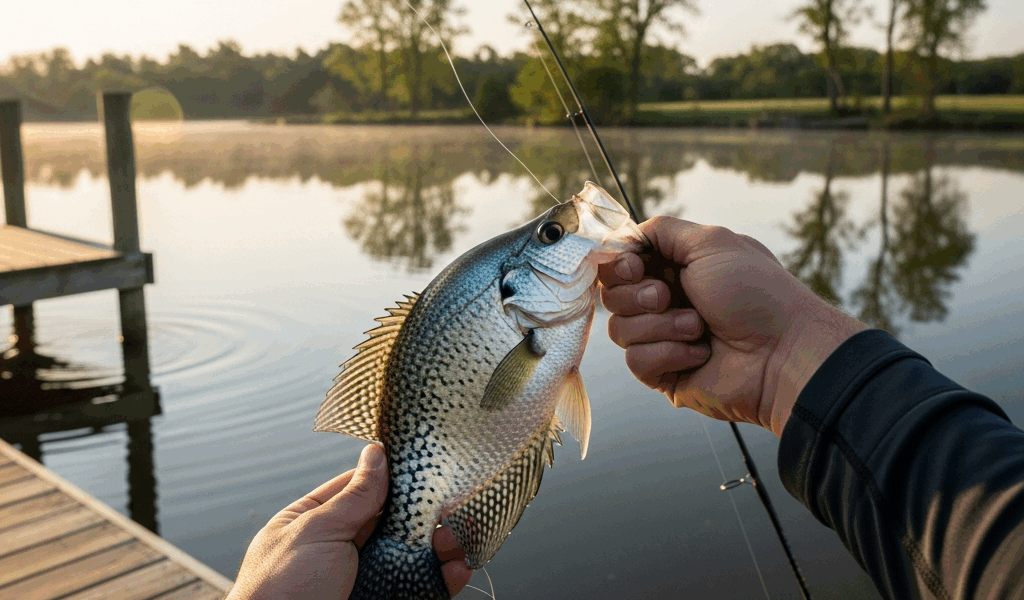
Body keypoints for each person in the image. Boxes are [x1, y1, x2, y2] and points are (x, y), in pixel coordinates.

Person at [230, 216, 1024, 599]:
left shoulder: (532, 314)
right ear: (517, 286)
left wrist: (784, 361)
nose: (571, 233)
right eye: (553, 235)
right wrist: (788, 362)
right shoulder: (521, 315)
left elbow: (523, 382)